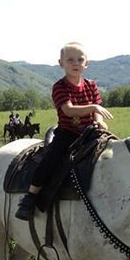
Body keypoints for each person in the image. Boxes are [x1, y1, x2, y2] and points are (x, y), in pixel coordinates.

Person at [15, 42, 113, 220]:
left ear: (86, 63)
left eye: (80, 59)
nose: (76, 63)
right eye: (70, 60)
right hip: (68, 133)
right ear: (61, 63)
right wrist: (94, 108)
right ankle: (30, 197)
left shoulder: (91, 85)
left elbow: (97, 110)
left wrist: (99, 122)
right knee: (51, 159)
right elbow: (68, 110)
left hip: (90, 133)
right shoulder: (60, 86)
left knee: (114, 152)